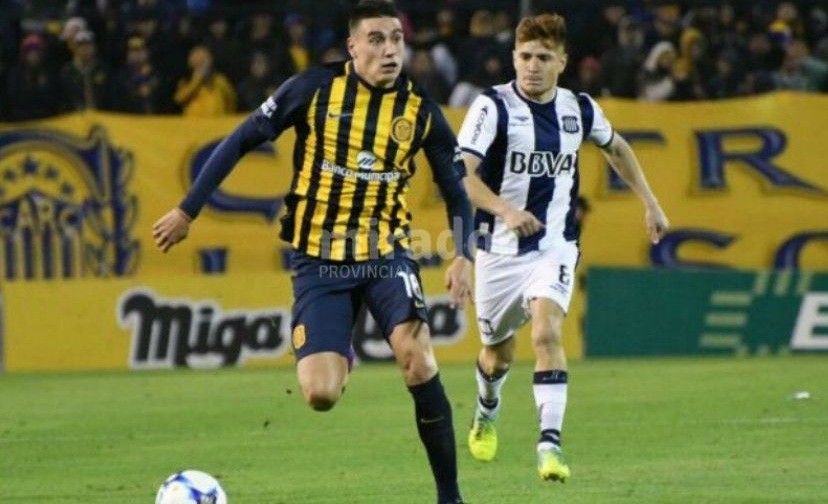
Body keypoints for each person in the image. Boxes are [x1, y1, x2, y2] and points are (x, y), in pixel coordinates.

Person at [152, 2, 472, 503]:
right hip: (319, 261)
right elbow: (241, 140)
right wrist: (187, 210)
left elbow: (456, 191)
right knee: (321, 395)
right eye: (376, 39)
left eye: (396, 38)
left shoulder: (420, 110)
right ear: (352, 46)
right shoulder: (312, 89)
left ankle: (450, 497)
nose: (389, 49)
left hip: (386, 253)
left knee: (417, 359)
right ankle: (341, 348)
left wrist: (464, 255)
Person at [457, 13, 669, 482]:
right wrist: (506, 211)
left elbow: (617, 148)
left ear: (562, 62)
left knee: (546, 333)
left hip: (554, 245)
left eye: (543, 58)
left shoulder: (579, 108)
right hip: (497, 251)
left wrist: (650, 202)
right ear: (514, 57)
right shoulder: (491, 106)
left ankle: (549, 446)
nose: (532, 66)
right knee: (497, 354)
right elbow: (461, 174)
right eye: (525, 57)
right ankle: (486, 410)